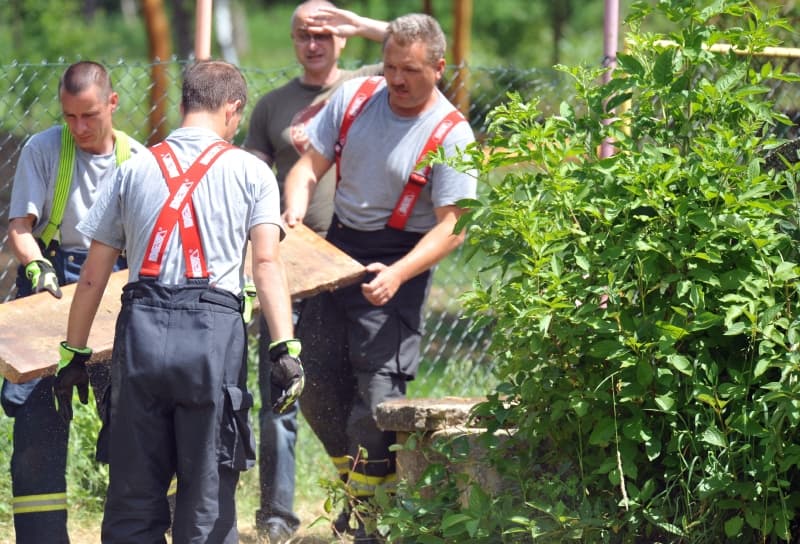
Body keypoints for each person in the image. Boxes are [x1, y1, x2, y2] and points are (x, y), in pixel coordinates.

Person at [58, 59, 303, 543]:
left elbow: (92, 275)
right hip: (211, 343)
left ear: (185, 102)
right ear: (233, 110)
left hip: (141, 338)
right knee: (207, 496)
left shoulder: (134, 167)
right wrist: (285, 348)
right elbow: (267, 264)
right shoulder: (252, 172)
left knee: (133, 495)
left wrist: (75, 353)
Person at [282, 13, 477, 542]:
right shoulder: (355, 98)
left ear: (439, 68)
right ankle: (363, 493)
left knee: (376, 402)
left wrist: (398, 273)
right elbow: (305, 169)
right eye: (390, 66)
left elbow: (453, 227)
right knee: (313, 383)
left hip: (402, 258)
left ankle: (373, 522)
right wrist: (294, 215)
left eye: (410, 70)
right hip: (337, 252)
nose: (396, 80)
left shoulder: (452, 134)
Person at [242, 1, 387, 541]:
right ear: (292, 39)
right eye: (304, 34)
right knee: (288, 391)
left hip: (358, 263)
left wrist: (363, 23)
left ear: (343, 40)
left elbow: (423, 41)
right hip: (292, 269)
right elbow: (251, 176)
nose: (314, 44)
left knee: (352, 394)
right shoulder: (272, 107)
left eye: (325, 34)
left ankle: (361, 501)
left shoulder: (372, 84)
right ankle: (278, 518)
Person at [2, 60, 145, 544]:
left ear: (112, 103)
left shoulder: (139, 160)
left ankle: (140, 530)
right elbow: (21, 229)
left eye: (89, 116)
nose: (79, 128)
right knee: (37, 427)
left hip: (117, 288)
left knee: (133, 419)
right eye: (69, 117)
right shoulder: (43, 149)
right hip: (52, 287)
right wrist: (35, 264)